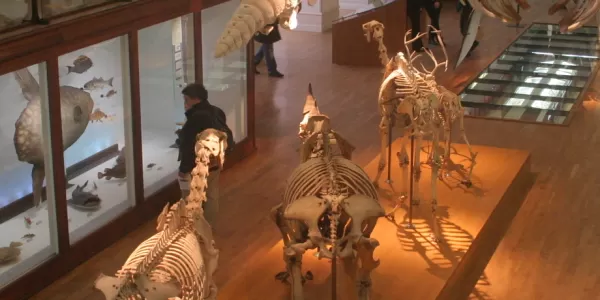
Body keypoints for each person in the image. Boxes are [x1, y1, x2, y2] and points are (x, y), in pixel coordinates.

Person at [177, 83, 222, 227]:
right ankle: (209, 227)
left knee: (192, 197)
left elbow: (188, 146)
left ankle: (194, 229)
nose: (185, 104)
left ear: (195, 99)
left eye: (186, 100)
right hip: (215, 161)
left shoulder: (196, 118)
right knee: (212, 194)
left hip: (198, 164)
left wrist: (184, 169)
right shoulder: (216, 111)